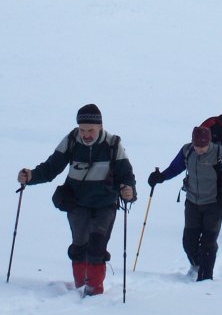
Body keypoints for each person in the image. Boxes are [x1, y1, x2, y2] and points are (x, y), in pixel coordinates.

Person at [16, 104, 136, 296]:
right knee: (79, 245)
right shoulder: (72, 140)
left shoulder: (113, 144)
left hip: (105, 204)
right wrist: (30, 176)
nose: (86, 134)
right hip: (77, 203)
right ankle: (80, 286)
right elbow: (50, 168)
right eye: (82, 130)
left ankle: (94, 291)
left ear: (100, 127)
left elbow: (126, 175)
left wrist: (129, 191)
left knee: (97, 245)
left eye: (90, 130)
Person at [147, 126, 222, 281]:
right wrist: (161, 177)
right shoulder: (187, 151)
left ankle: (205, 278)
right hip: (192, 202)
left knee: (208, 244)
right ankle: (197, 266)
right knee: (189, 242)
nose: (199, 149)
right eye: (197, 146)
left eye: (203, 146)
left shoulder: (220, 153)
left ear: (209, 142)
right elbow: (175, 168)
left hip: (214, 203)